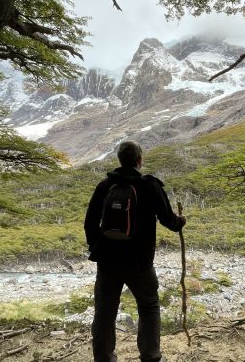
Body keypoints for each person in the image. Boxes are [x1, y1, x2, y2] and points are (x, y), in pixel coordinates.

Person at [84, 141, 186, 362]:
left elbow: (90, 222)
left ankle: (104, 358)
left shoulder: (105, 186)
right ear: (140, 160)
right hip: (140, 262)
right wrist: (180, 222)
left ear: (120, 160)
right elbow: (168, 220)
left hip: (108, 261)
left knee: (104, 312)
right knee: (149, 306)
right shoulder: (150, 186)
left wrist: (97, 248)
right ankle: (150, 357)